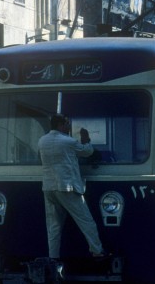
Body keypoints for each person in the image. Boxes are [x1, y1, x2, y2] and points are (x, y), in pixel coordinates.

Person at [39, 114, 107, 272]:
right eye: (67, 124)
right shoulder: (68, 141)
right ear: (61, 125)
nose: (69, 127)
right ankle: (97, 251)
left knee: (54, 225)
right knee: (86, 220)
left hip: (49, 187)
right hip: (67, 186)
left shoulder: (42, 140)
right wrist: (86, 138)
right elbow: (88, 152)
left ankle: (53, 257)